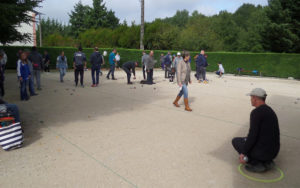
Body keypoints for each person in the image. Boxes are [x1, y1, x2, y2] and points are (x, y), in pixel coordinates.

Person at [232, 88, 280, 173]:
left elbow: (252, 135)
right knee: (248, 140)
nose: (250, 100)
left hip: (262, 152)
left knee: (236, 141)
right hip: (274, 152)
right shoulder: (270, 110)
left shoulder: (256, 113)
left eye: (251, 98)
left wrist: (243, 153)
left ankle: (256, 164)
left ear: (255, 98)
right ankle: (267, 162)